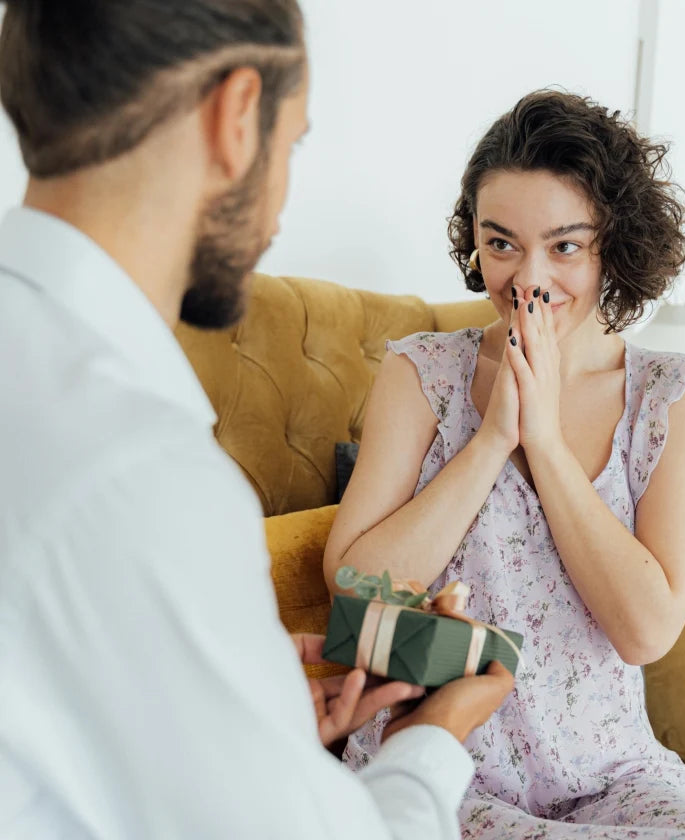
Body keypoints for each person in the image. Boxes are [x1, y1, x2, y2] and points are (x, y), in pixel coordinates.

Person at [0, 1, 514, 837]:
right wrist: (432, 738)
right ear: (239, 115)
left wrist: (237, 721)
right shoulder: (140, 471)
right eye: (295, 141)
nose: (282, 194)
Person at [324, 90, 685, 839]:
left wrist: (547, 443)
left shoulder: (676, 394)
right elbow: (356, 586)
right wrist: (492, 440)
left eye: (564, 246)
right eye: (501, 244)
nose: (527, 278)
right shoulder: (421, 374)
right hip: (439, 763)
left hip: (614, 777)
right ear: (475, 246)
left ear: (613, 246)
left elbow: (646, 631)